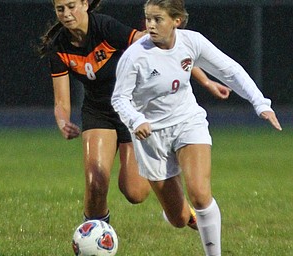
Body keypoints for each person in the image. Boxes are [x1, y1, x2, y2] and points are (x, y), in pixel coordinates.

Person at [38, 0, 230, 227]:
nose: (67, 14)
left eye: (72, 6)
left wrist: (205, 80)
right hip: (99, 112)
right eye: (61, 9)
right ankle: (96, 236)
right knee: (95, 183)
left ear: (85, 4)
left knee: (135, 192)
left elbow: (164, 48)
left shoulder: (106, 28)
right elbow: (61, 101)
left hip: (133, 112)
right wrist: (62, 121)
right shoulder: (59, 47)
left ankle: (178, 204)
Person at [111, 0, 282, 255]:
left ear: (176, 21)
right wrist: (136, 120)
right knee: (179, 218)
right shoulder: (135, 56)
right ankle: (178, 213)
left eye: (158, 19)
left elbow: (229, 70)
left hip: (187, 121)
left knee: (201, 195)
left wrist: (260, 103)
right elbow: (119, 98)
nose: (150, 26)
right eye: (148, 19)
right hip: (151, 135)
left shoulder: (192, 42)